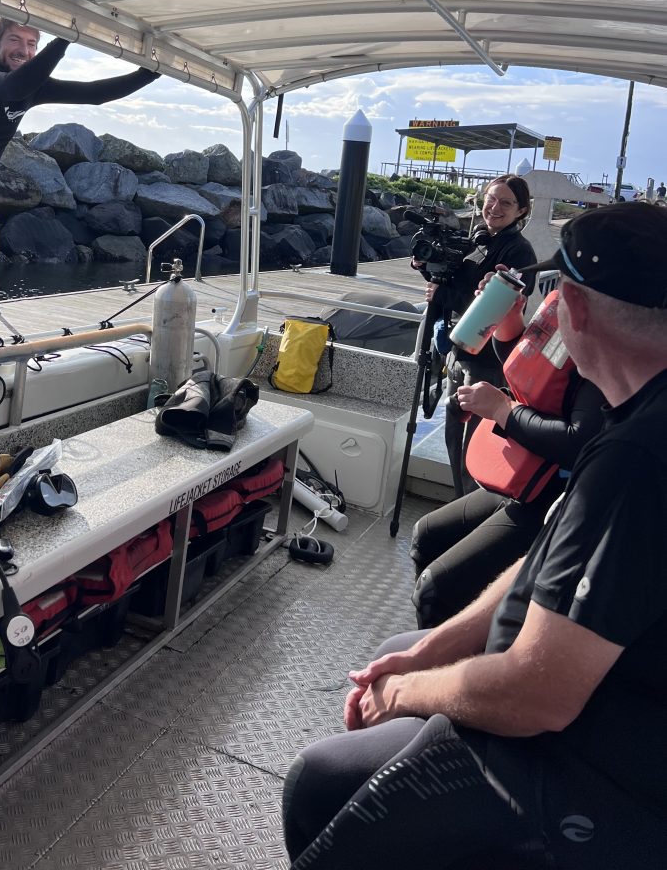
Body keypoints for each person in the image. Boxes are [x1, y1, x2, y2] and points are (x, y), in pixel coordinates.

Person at [283, 203, 667, 869]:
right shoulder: (635, 416)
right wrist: (427, 654)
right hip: (588, 706)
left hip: (592, 770)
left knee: (319, 786)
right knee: (403, 647)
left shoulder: (638, 459)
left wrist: (398, 694)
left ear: (570, 306)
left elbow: (536, 695)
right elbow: (540, 566)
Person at [0, 19, 159, 351]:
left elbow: (95, 94)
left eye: (31, 44)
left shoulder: (32, 85)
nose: (24, 50)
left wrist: (150, 73)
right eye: (15, 40)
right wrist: (65, 40)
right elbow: (8, 89)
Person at [410, 283, 605, 627]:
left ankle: (455, 664)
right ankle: (448, 637)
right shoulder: (577, 313)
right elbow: (532, 367)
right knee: (426, 534)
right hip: (525, 479)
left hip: (558, 502)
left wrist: (503, 411)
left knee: (433, 589)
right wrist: (510, 319)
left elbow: (579, 444)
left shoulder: (612, 343)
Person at [412, 174, 537, 494]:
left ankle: (468, 516)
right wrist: (428, 266)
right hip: (458, 354)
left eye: (506, 203)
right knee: (453, 440)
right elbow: (454, 279)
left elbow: (495, 310)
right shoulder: (480, 239)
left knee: (472, 448)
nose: (494, 207)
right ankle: (458, 507)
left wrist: (439, 295)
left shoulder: (519, 252)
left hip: (484, 365)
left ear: (521, 211)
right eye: (490, 199)